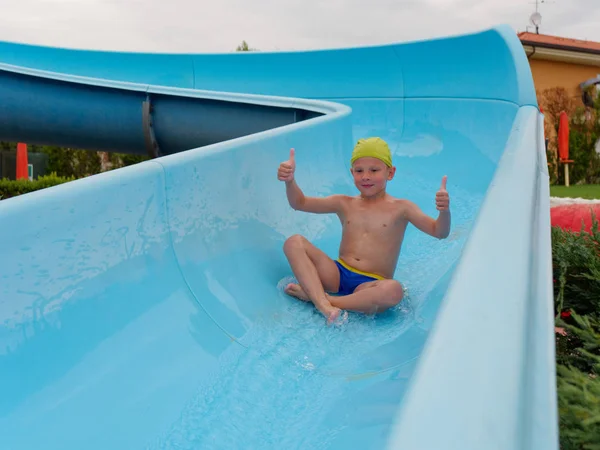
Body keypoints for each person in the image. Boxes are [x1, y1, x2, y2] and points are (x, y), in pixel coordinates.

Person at [277, 137, 451, 325]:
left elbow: (439, 232)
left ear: (390, 173)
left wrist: (444, 211)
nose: (365, 176)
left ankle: (321, 299)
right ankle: (324, 305)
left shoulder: (403, 208)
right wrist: (289, 181)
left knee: (394, 290)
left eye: (374, 170)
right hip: (337, 274)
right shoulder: (344, 203)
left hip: (369, 285)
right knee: (294, 242)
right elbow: (299, 203)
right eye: (359, 171)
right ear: (352, 173)